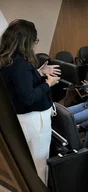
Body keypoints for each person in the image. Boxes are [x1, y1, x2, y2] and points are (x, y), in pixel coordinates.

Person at [0, 19, 61, 184]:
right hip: (34, 119)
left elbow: (18, 84)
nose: (35, 44)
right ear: (26, 40)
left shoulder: (7, 59)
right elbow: (28, 97)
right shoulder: (20, 64)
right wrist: (48, 83)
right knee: (39, 164)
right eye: (34, 40)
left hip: (21, 118)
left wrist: (38, 73)